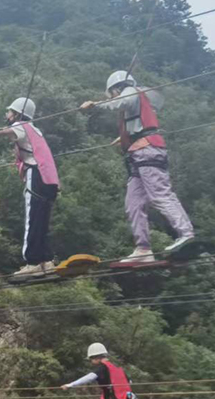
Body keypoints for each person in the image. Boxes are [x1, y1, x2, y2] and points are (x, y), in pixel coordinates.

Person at [80, 71, 195, 264]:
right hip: (137, 155)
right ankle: (143, 249)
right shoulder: (137, 102)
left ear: (116, 88)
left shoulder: (131, 91)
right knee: (133, 204)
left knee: (160, 194)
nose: (114, 97)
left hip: (148, 150)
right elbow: (138, 124)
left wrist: (94, 105)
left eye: (113, 93)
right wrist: (125, 138)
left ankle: (186, 232)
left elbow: (120, 103)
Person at [0, 97, 60, 277]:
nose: (7, 114)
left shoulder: (21, 126)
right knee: (41, 220)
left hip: (36, 175)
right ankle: (46, 261)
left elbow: (5, 132)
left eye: (10, 111)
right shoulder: (36, 130)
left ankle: (32, 262)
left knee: (32, 218)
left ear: (18, 114)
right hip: (49, 179)